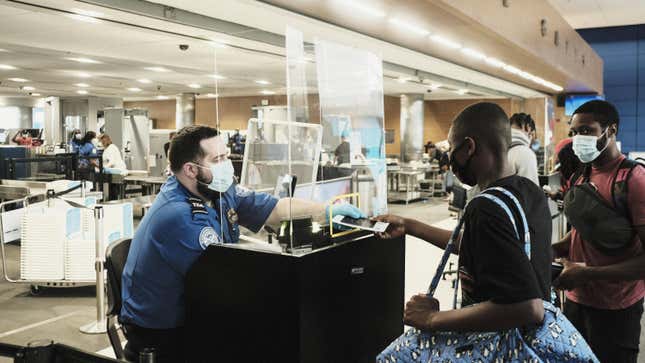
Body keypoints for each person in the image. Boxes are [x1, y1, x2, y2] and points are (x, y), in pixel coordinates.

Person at [120, 125, 365, 362]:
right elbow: (224, 283)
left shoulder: (217, 190)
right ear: (190, 170)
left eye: (227, 155)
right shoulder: (179, 215)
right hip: (164, 332)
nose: (227, 165)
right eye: (218, 159)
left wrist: (327, 211)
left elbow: (276, 209)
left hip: (198, 307)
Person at [374, 102, 597, 362]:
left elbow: (527, 307)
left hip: (496, 345)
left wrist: (432, 318)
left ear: (469, 147)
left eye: (453, 151)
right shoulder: (529, 192)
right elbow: (483, 248)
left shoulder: (485, 207)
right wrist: (411, 226)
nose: (451, 163)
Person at [553, 100, 645, 363]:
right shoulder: (583, 175)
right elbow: (587, 232)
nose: (577, 138)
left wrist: (590, 274)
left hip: (616, 309)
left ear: (611, 130)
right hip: (576, 301)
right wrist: (554, 249)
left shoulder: (633, 180)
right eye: (573, 132)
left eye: (586, 131)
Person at [508, 113, 539, 186]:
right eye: (533, 135)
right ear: (528, 127)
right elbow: (531, 191)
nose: (532, 139)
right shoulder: (525, 153)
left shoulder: (498, 147)